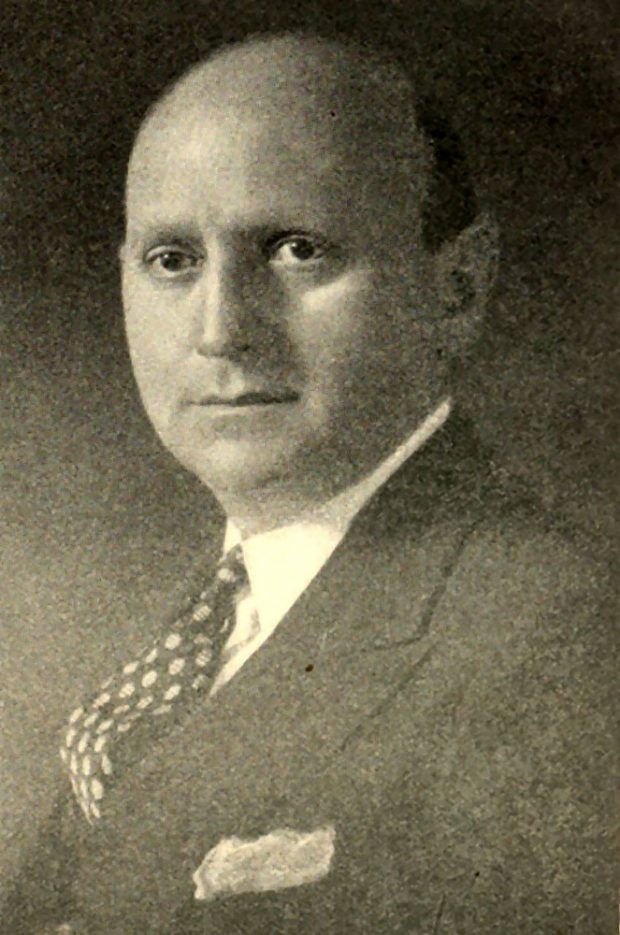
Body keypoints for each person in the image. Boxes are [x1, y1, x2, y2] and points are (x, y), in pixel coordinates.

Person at [3, 32, 615, 935]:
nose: (221, 330)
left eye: (295, 249)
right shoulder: (196, 626)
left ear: (457, 286)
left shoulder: (562, 644)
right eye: (173, 260)